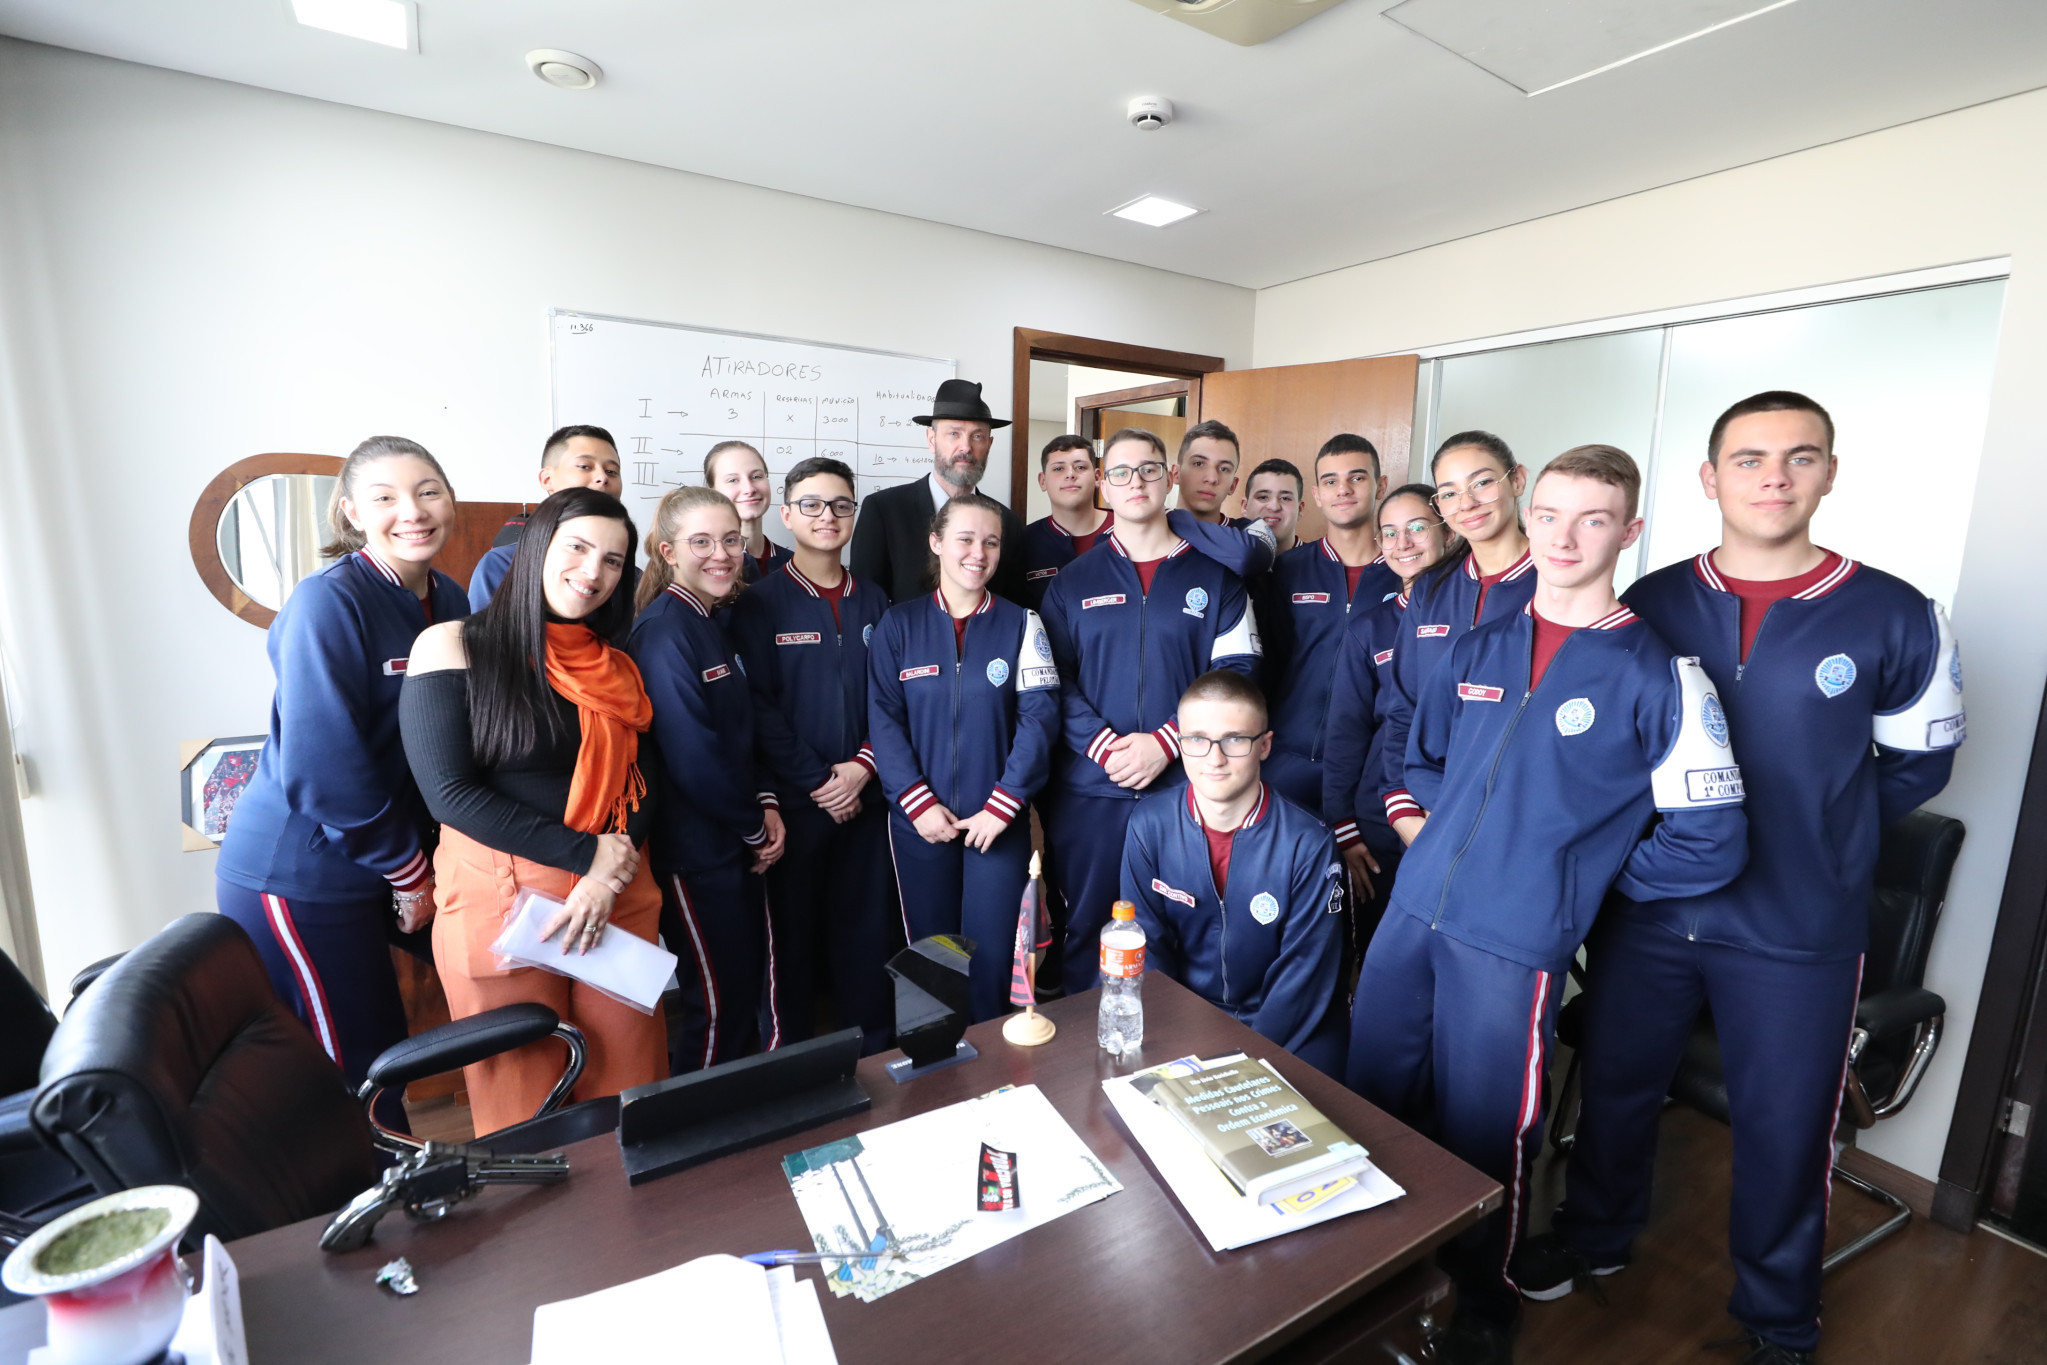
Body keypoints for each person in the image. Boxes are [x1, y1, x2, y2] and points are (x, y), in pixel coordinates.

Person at [1521, 395, 1965, 1365]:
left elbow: (1916, 767)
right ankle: (1596, 1239)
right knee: (1618, 1088)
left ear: (1829, 474)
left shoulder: (1895, 614)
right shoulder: (1649, 603)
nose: (1774, 476)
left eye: (1799, 457)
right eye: (1749, 458)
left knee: (1784, 1130)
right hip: (1651, 913)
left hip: (1796, 928)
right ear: (1709, 479)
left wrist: (1818, 832)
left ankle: (1778, 1318)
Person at [1347, 445, 1748, 1365]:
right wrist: (1440, 845)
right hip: (1413, 916)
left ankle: (1485, 1299)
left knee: (1489, 1130)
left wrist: (1574, 880)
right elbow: (1422, 761)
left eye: (1593, 518)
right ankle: (1361, 1278)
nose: (1565, 536)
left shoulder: (1661, 673)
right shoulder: (1478, 643)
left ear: (1629, 531)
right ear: (1529, 518)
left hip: (1513, 941)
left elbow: (1710, 838)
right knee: (1372, 1097)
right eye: (1552, 515)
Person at [215, 435, 469, 1130]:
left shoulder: (447, 596)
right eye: (385, 498)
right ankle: (368, 1211)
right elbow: (322, 765)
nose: (411, 511)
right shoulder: (327, 602)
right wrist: (409, 870)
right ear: (351, 512)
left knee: (412, 1023)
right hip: (302, 870)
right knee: (356, 1060)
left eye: (427, 492)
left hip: (384, 855)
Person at [401, 487, 667, 1137]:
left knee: (633, 1093)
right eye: (576, 548)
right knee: (521, 1103)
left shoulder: (617, 666)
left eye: (612, 559)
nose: (593, 571)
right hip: (506, 903)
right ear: (535, 547)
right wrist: (585, 856)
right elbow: (450, 795)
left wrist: (603, 876)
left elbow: (643, 776)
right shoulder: (453, 644)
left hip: (615, 893)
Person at [1039, 427, 1263, 994]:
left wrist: (1165, 741)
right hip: (1092, 788)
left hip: (1185, 787)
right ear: (1102, 486)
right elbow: (1051, 681)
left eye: (1147, 469)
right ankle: (1079, 1072)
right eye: (1119, 472)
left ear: (1169, 479)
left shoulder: (1218, 580)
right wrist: (1106, 748)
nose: (1134, 482)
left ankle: (1174, 1059)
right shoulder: (1070, 583)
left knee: (1182, 925)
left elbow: (1238, 675)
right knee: (1087, 929)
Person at [867, 493, 1061, 1022]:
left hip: (996, 825)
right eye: (966, 539)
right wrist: (916, 804)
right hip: (920, 824)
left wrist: (1004, 805)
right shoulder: (898, 627)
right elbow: (883, 722)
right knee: (931, 954)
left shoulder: (1024, 624)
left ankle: (991, 1075)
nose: (979, 553)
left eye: (991, 542)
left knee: (993, 956)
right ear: (936, 543)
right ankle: (935, 1073)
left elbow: (1039, 723)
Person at [727, 457, 896, 1052]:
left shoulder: (875, 599)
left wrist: (862, 769)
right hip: (796, 808)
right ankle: (790, 1066)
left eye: (841, 505)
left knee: (867, 938)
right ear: (787, 514)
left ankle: (875, 1056)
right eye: (813, 505)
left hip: (867, 798)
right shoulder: (759, 602)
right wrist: (820, 780)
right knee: (790, 946)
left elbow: (892, 698)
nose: (828, 517)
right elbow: (757, 707)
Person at [629, 486, 786, 1073]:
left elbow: (739, 733)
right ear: (668, 550)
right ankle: (702, 1139)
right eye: (702, 542)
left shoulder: (713, 619)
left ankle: (741, 1122)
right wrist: (753, 828)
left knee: (740, 991)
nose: (722, 554)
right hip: (697, 853)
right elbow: (694, 759)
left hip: (731, 842)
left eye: (731, 540)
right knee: (717, 1004)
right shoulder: (664, 631)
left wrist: (764, 803)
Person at [1121, 671, 1344, 1072]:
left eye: (1235, 739)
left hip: (1288, 1026)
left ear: (1265, 745)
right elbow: (1147, 947)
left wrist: (1238, 1063)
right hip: (1185, 1014)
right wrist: (1179, 1041)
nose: (1215, 758)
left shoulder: (1309, 843)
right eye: (1197, 740)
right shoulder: (1148, 824)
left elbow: (1302, 977)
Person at [1379, 432, 1536, 846]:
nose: (1466, 503)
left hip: (1514, 821)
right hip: (1424, 813)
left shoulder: (1556, 586)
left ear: (1517, 480)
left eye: (1482, 483)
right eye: (1449, 493)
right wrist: (1401, 807)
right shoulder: (1431, 590)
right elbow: (1402, 707)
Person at [1321, 485, 1453, 953]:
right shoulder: (1369, 627)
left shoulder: (1480, 615)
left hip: (1451, 810)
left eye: (1417, 528)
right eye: (1390, 533)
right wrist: (1345, 826)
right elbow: (1346, 731)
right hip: (1378, 817)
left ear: (1447, 531)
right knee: (1378, 949)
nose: (1403, 543)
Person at [1258, 435, 1399, 820]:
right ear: (1317, 495)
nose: (1344, 490)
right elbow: (1264, 665)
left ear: (1380, 486)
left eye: (1357, 478)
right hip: (1283, 758)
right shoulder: (1288, 570)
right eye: (1332, 481)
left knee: (1364, 877)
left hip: (1370, 769)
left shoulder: (1406, 575)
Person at [850, 379, 1027, 603]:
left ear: (989, 445)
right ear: (932, 440)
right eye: (954, 434)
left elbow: (1011, 604)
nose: (966, 447)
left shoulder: (1007, 522)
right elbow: (865, 604)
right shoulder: (883, 511)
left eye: (978, 436)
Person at [468, 425, 628, 612]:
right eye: (585, 466)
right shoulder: (502, 564)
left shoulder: (629, 575)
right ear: (547, 479)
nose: (602, 477)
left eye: (611, 471)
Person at [1019, 434, 1112, 611]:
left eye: (1080, 467)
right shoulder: (1024, 542)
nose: (1070, 474)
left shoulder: (1127, 530)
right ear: (1042, 481)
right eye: (1058, 469)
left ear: (1097, 476)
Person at [703, 440, 792, 583]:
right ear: (712, 491)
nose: (749, 489)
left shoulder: (794, 565)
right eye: (732, 480)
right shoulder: (703, 565)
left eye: (756, 476)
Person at [1243, 458, 1305, 553]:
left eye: (1285, 498)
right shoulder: (1223, 563)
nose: (1274, 507)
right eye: (1263, 497)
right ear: (1245, 507)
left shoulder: (1321, 566)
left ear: (1300, 510)